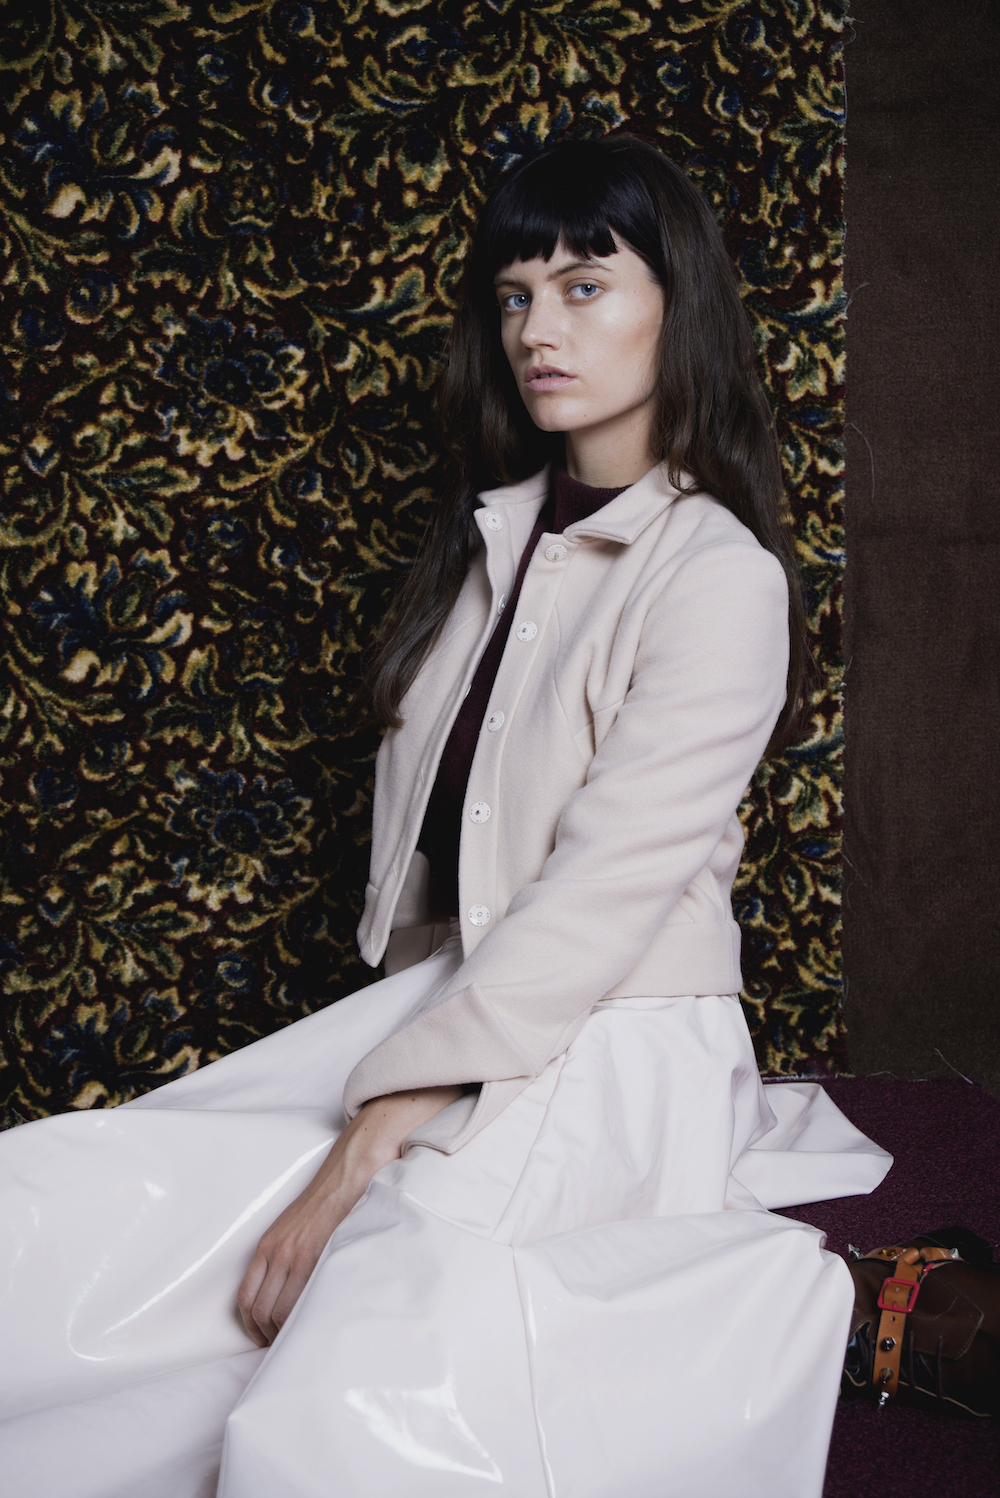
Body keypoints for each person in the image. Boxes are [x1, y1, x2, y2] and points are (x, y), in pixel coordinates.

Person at [0, 135, 890, 1498]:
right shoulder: (493, 537)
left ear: (680, 308)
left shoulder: (719, 576)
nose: (538, 329)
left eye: (584, 286)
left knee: (350, 1379)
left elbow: (602, 891)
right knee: (91, 1211)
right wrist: (386, 1077)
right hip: (450, 1003)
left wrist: (385, 1123)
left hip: (611, 1029)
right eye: (516, 294)